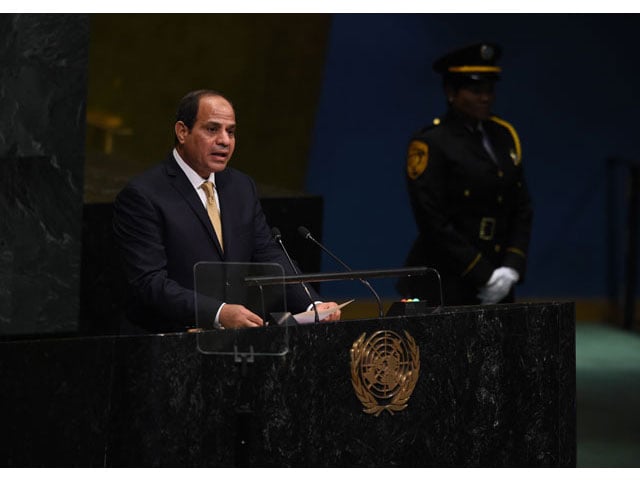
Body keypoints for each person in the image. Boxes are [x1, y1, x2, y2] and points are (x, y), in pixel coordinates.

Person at [113, 89, 340, 333]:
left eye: (230, 131)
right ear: (182, 131)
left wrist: (312, 303)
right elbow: (149, 282)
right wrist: (219, 313)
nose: (224, 140)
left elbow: (269, 255)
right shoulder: (144, 194)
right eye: (212, 129)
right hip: (172, 341)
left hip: (236, 347)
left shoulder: (240, 187)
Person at [398, 42, 533, 306]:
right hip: (447, 279)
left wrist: (511, 267)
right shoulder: (432, 142)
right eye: (475, 90)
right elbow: (432, 220)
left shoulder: (504, 135)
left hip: (500, 276)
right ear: (451, 92)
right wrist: (483, 274)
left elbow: (522, 205)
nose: (485, 97)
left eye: (490, 89)